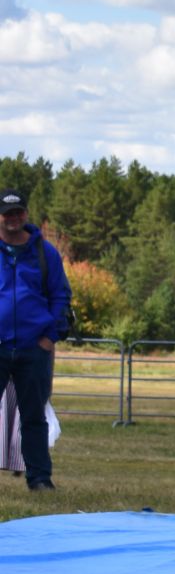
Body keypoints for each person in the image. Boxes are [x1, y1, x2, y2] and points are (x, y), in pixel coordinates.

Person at [0, 186, 69, 493]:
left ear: (26, 214)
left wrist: (48, 337)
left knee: (33, 417)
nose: (13, 218)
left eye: (18, 212)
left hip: (34, 347)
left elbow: (60, 295)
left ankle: (39, 479)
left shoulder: (45, 251)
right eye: (7, 213)